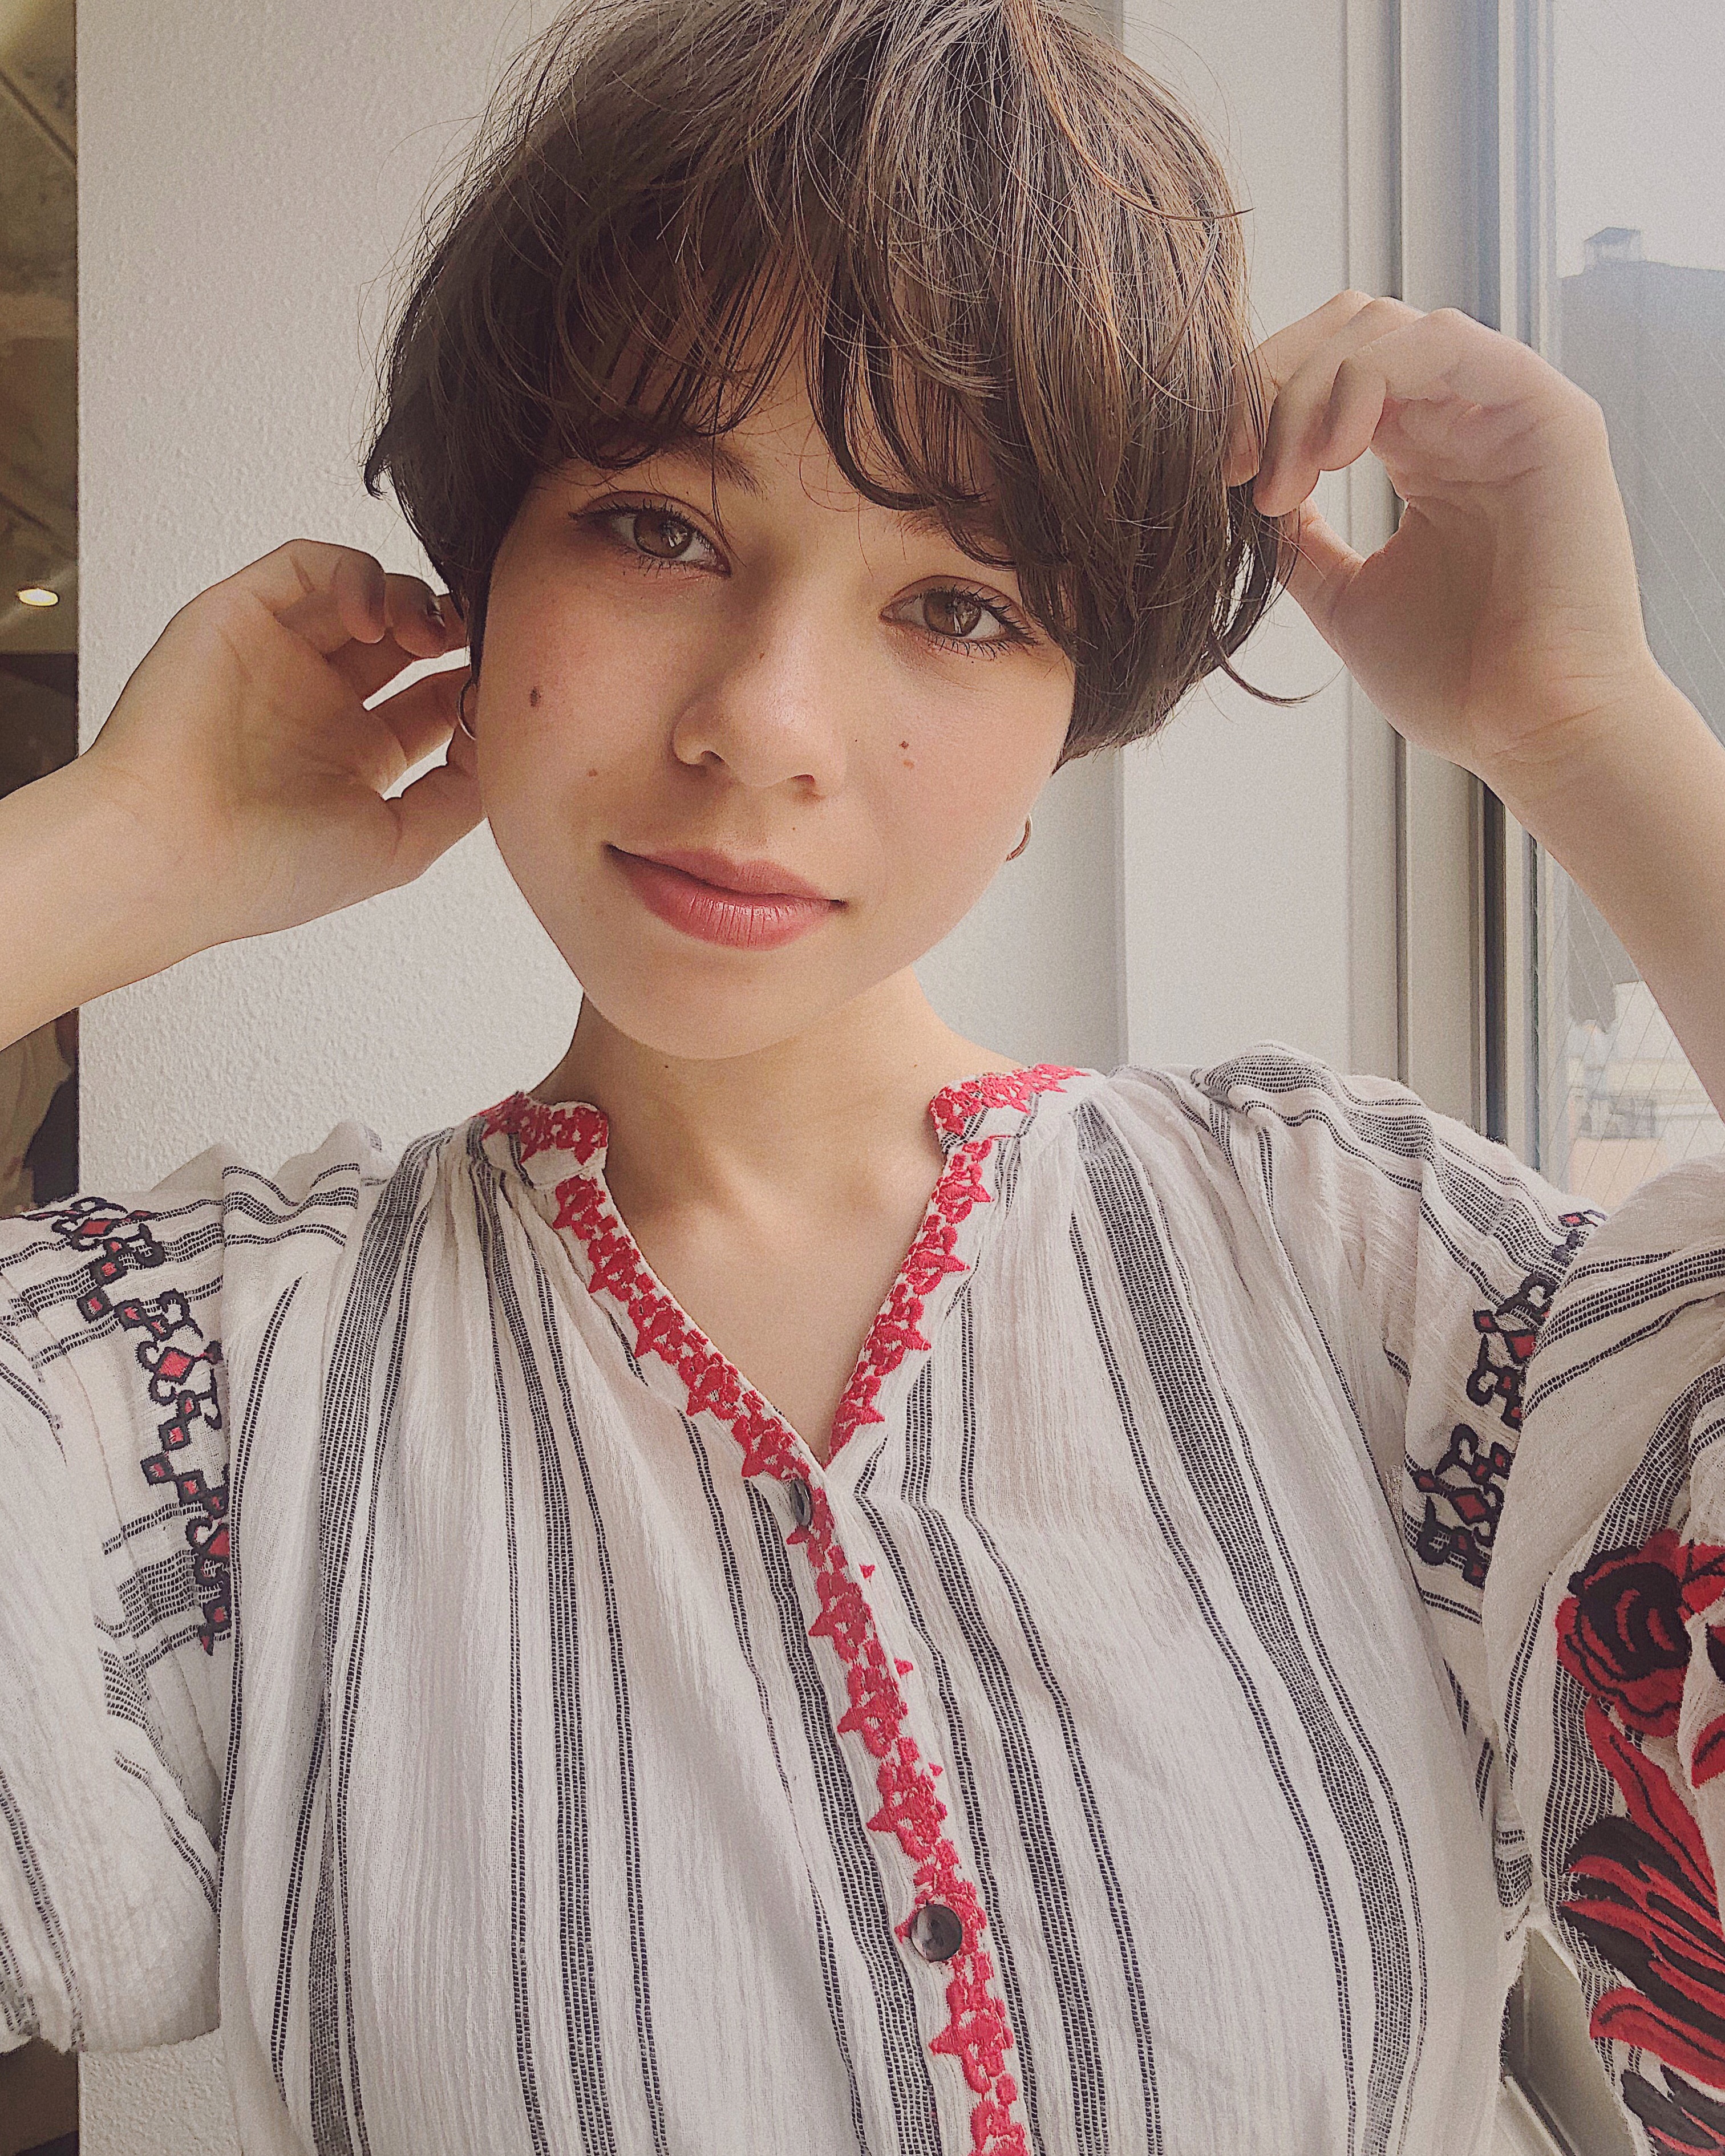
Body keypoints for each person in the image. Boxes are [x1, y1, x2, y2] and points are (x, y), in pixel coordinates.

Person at [2, 0, 1723, 2149]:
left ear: (1075, 708)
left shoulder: (1351, 1272)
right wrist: (103, 858)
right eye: (658, 527)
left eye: (962, 605)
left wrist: (1589, 730)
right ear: (484, 561)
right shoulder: (215, 1398)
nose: (768, 722)